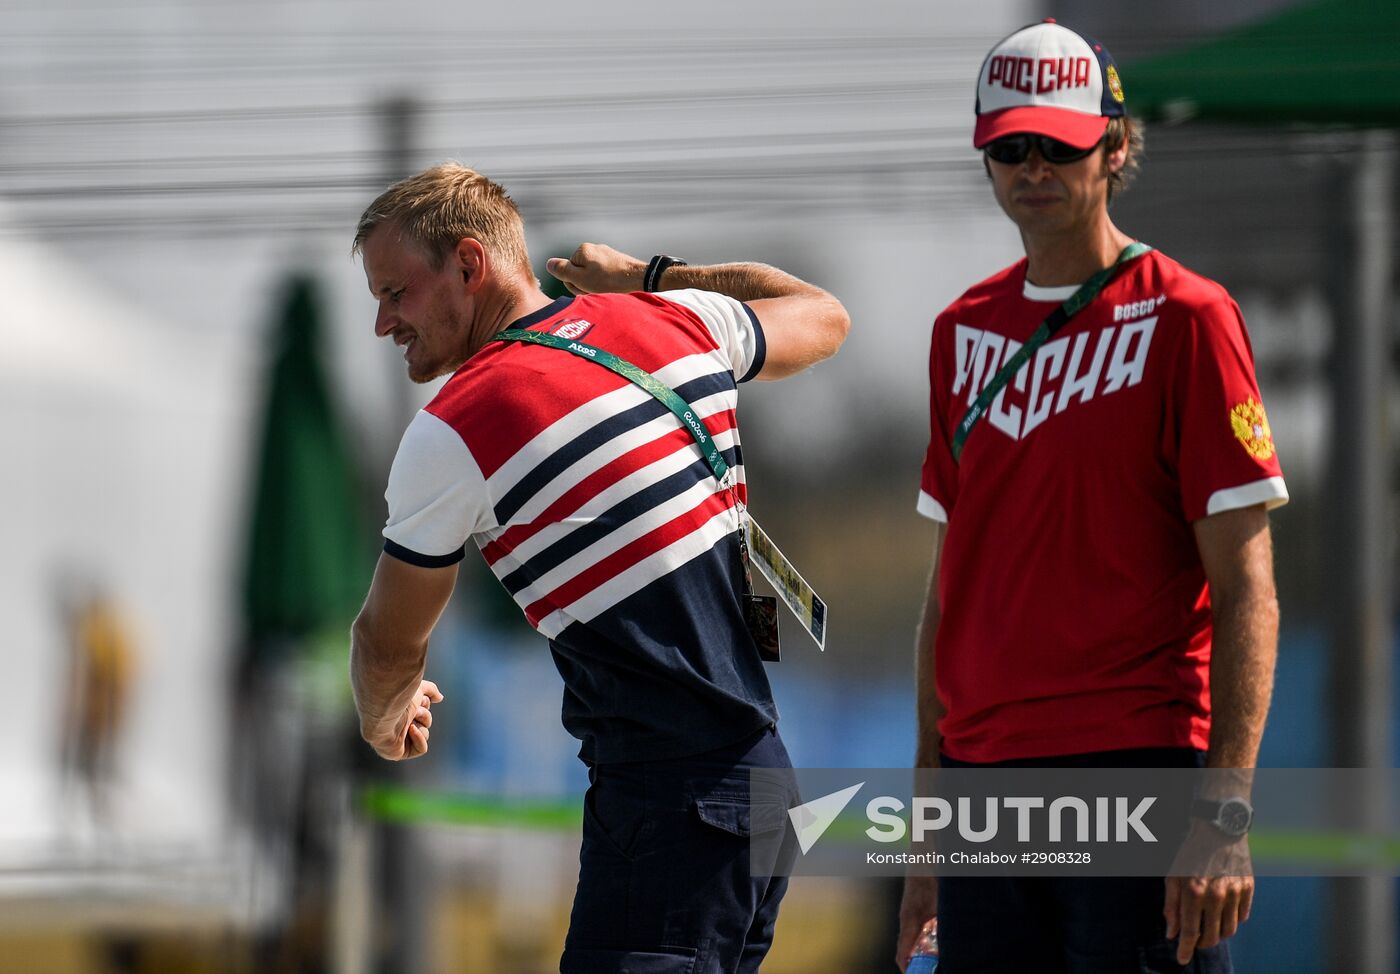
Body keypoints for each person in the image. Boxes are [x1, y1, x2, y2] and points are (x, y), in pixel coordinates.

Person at [348, 162, 849, 972]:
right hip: (761, 783)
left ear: (469, 265)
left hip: (668, 800)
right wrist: (652, 277)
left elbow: (385, 643)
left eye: (394, 294)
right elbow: (823, 316)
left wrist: (383, 717)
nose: (381, 324)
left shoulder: (458, 425)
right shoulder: (673, 322)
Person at [896, 20, 1287, 973]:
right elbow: (950, 595)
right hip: (986, 792)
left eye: (1059, 146)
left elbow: (1247, 589)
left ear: (1114, 148)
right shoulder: (961, 331)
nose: (1033, 168)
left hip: (1137, 773)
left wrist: (1225, 815)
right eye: (1010, 147)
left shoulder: (1189, 316)